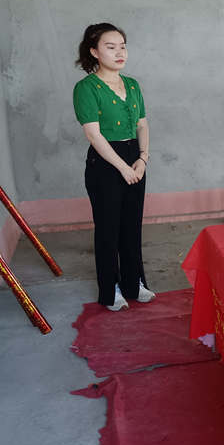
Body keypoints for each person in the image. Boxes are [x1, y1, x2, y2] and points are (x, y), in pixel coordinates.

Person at [73, 23, 155, 311]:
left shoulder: (132, 85)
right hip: (106, 162)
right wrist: (123, 168)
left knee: (132, 225)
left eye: (122, 46)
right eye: (111, 47)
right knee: (108, 228)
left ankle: (135, 283)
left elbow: (142, 125)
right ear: (94, 52)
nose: (120, 52)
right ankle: (111, 290)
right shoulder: (86, 88)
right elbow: (94, 135)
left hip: (135, 156)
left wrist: (142, 159)